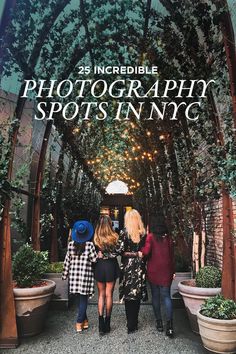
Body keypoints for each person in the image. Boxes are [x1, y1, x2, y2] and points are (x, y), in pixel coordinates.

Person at [141, 215, 175, 337]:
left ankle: (159, 323)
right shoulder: (169, 238)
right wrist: (173, 271)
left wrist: (141, 248)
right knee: (167, 297)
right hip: (166, 271)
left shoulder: (151, 237)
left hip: (153, 271)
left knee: (155, 296)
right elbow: (172, 256)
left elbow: (146, 252)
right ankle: (170, 326)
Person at [62, 220, 97, 333]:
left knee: (79, 301)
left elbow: (67, 261)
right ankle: (79, 322)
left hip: (74, 277)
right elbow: (94, 260)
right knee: (83, 301)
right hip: (84, 277)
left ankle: (85, 321)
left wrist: (64, 274)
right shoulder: (90, 245)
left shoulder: (71, 245)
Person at [116, 209, 147, 334]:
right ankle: (135, 322)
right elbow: (145, 251)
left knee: (129, 295)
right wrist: (137, 254)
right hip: (140, 267)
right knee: (137, 294)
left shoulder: (124, 233)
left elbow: (119, 250)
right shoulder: (143, 233)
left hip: (128, 267)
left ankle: (130, 324)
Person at [94, 215, 120, 335]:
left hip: (100, 266)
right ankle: (107, 323)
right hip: (111, 266)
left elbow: (94, 254)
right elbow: (118, 252)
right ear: (110, 224)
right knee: (109, 295)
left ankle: (100, 324)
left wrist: (101, 255)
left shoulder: (96, 237)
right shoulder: (115, 237)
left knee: (101, 295)